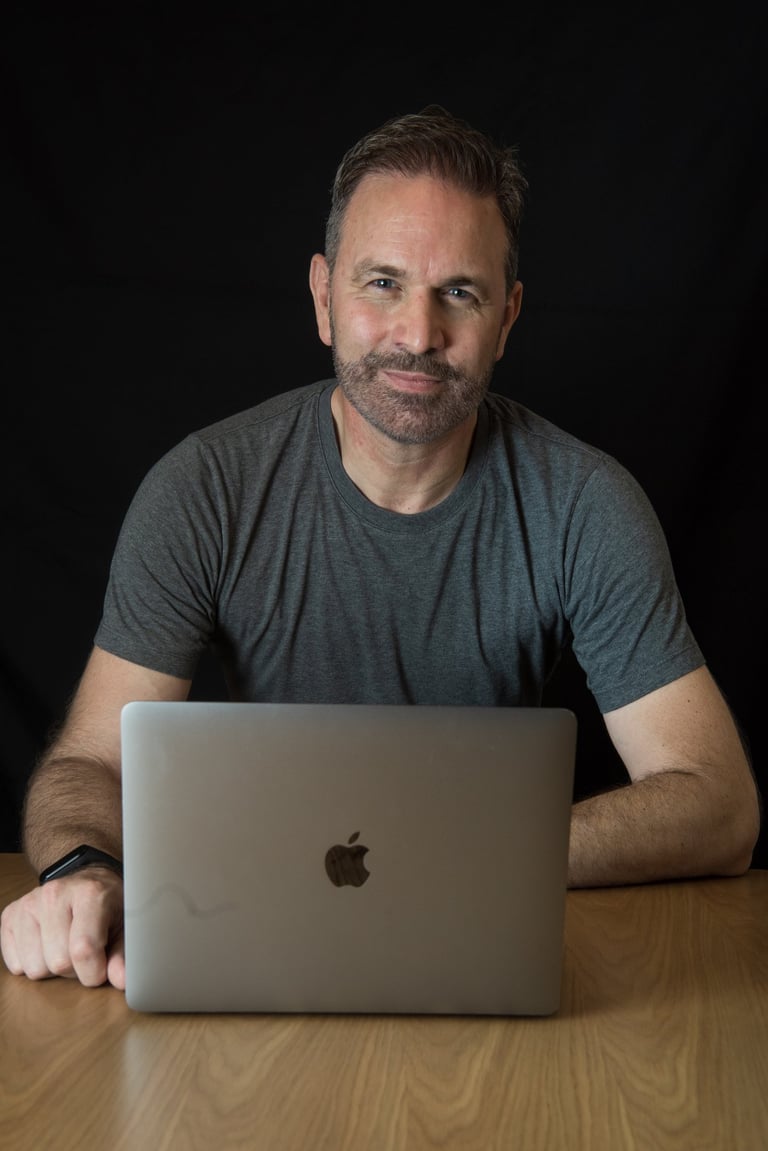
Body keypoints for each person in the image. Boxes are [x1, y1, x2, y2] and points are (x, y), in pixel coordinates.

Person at [1, 105, 760, 991]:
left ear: (508, 317)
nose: (418, 333)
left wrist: (474, 854)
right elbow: (91, 761)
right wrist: (81, 870)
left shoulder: (586, 504)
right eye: (383, 283)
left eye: (460, 293)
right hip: (260, 942)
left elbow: (718, 802)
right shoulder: (203, 489)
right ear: (324, 297)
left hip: (479, 948)